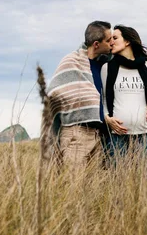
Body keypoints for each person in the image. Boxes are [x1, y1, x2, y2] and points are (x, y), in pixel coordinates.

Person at [101, 25, 147, 162]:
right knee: (116, 176)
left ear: (127, 41)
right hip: (117, 134)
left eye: (115, 38)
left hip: (143, 133)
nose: (111, 42)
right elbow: (103, 99)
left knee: (143, 177)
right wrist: (107, 119)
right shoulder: (108, 67)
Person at [47, 21, 114, 168]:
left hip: (98, 134)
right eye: (109, 40)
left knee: (93, 187)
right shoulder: (71, 61)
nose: (112, 44)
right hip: (76, 133)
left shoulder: (105, 63)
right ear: (96, 44)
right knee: (73, 185)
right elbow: (54, 94)